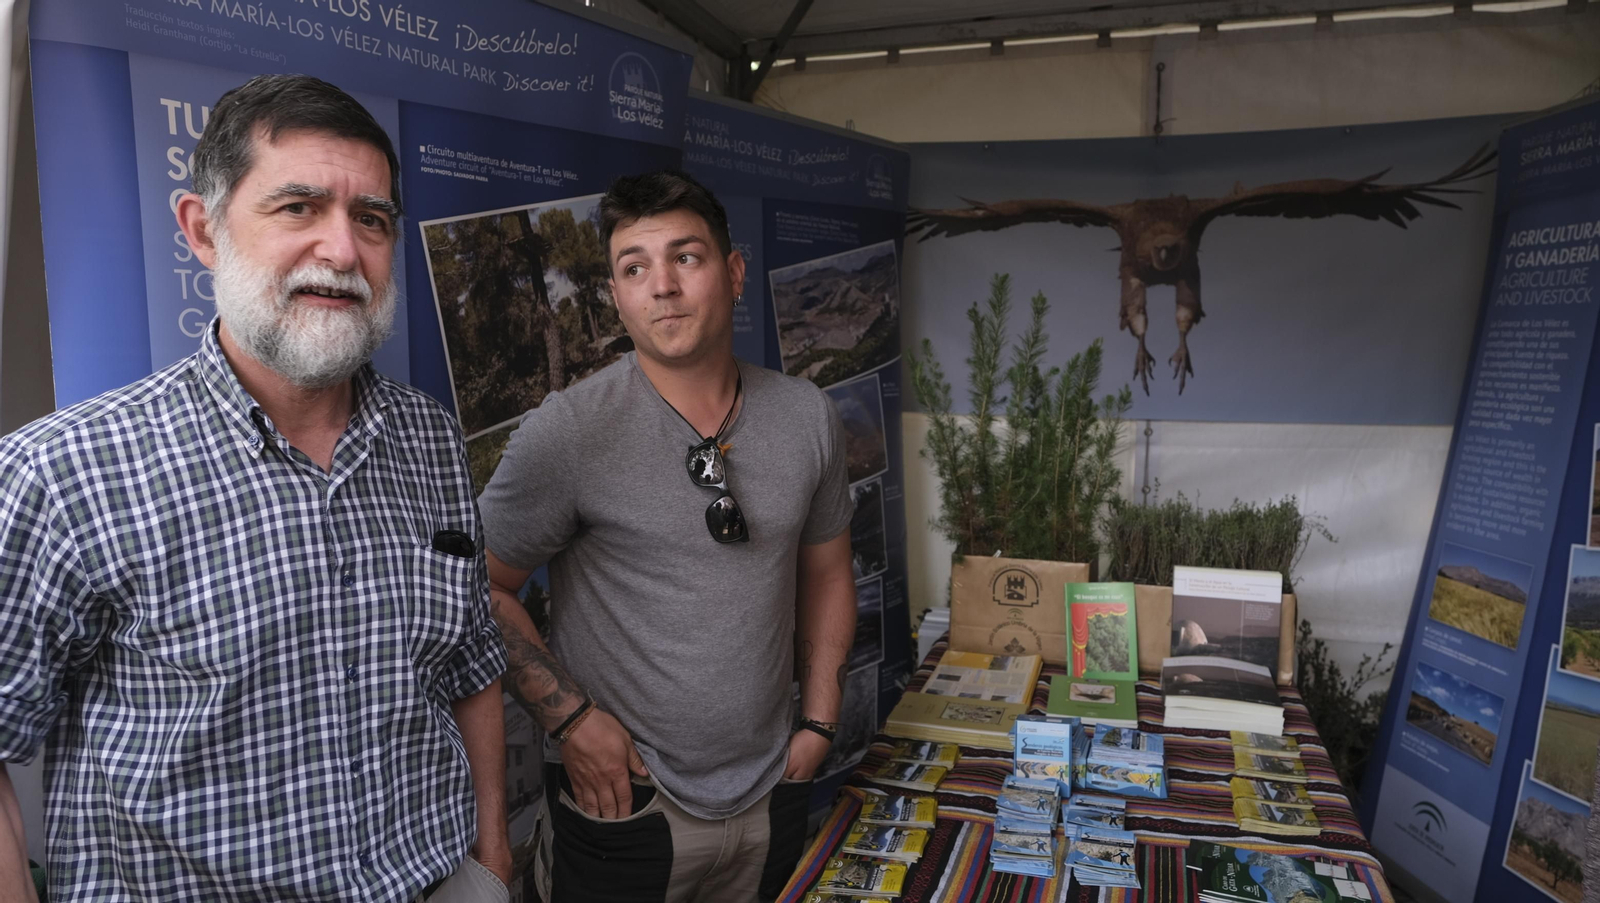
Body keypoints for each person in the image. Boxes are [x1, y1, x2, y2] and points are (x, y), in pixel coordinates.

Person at [0, 75, 510, 902]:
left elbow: (470, 660)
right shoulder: (63, 473)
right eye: (298, 207)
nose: (342, 251)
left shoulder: (429, 438)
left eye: (371, 219)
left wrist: (492, 862)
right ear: (203, 230)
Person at [479, 170, 858, 902]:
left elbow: (827, 573)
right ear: (615, 294)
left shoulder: (806, 414)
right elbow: (478, 586)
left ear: (734, 273)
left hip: (773, 787)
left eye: (686, 257)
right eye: (634, 268)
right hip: (627, 803)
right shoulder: (570, 431)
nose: (662, 286)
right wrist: (573, 722)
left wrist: (818, 720)